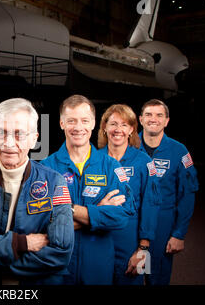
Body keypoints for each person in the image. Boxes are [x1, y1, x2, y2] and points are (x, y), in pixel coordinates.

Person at [0, 98, 74, 285]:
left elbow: (61, 253)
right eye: (2, 133)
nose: (9, 143)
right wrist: (19, 244)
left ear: (34, 139)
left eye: (19, 134)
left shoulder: (54, 183)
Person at [41, 94, 134, 285]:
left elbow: (122, 216)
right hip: (57, 265)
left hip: (98, 264)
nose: (78, 127)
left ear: (93, 123)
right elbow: (41, 220)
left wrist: (70, 209)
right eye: (71, 121)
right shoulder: (44, 169)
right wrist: (98, 210)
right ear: (61, 123)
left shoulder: (111, 167)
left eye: (84, 120)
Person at [97, 104, 160, 285]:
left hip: (132, 241)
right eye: (113, 124)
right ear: (104, 128)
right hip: (97, 239)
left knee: (134, 280)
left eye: (124, 125)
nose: (118, 130)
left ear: (132, 129)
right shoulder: (93, 159)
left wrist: (143, 249)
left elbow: (152, 205)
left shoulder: (145, 162)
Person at [138, 99, 199, 285]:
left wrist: (179, 234)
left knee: (156, 276)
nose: (153, 119)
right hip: (132, 224)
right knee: (132, 273)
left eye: (159, 115)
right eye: (148, 114)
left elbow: (187, 195)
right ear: (140, 119)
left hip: (162, 226)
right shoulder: (127, 147)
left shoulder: (179, 151)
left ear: (167, 121)